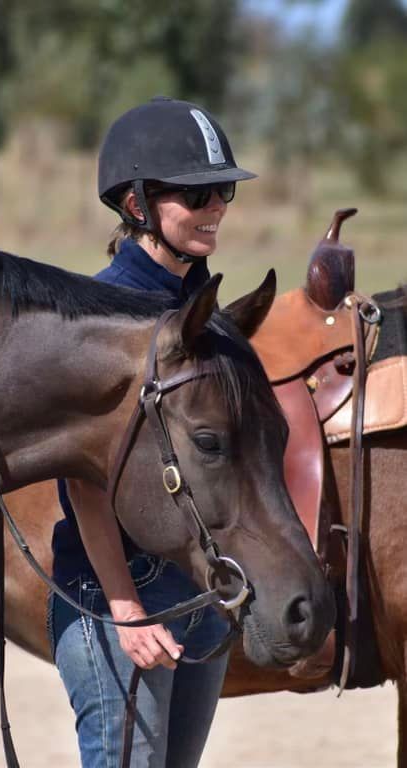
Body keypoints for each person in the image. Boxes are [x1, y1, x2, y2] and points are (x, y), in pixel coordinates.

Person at [48, 96, 257, 768]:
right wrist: (125, 609)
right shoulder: (99, 318)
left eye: (222, 190)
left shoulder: (203, 314)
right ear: (137, 206)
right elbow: (81, 481)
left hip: (197, 598)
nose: (217, 208)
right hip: (115, 602)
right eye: (197, 194)